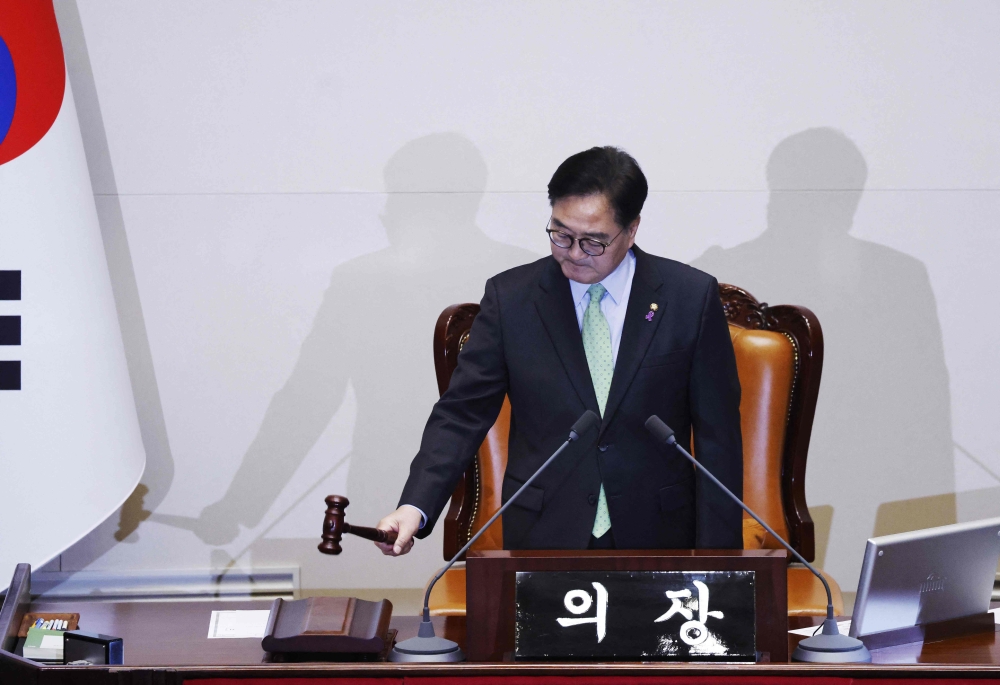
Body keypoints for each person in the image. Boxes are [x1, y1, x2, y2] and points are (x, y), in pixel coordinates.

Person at [376, 146, 743, 555]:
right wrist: (416, 506)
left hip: (660, 534)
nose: (572, 252)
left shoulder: (688, 297)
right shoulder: (512, 299)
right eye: (561, 234)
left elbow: (718, 438)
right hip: (545, 534)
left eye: (593, 242)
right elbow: (462, 412)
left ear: (632, 228)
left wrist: (721, 562)